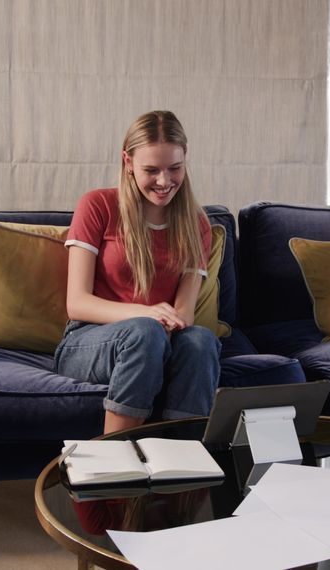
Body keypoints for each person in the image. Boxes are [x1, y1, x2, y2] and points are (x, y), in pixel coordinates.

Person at [55, 110, 222, 435]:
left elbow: (184, 312)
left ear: (185, 159)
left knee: (201, 341)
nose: (164, 181)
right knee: (145, 332)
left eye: (174, 168)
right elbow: (77, 303)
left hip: (159, 339)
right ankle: (112, 462)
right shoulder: (98, 205)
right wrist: (146, 315)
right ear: (128, 162)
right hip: (89, 340)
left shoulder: (197, 224)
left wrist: (166, 323)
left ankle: (182, 467)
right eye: (151, 170)